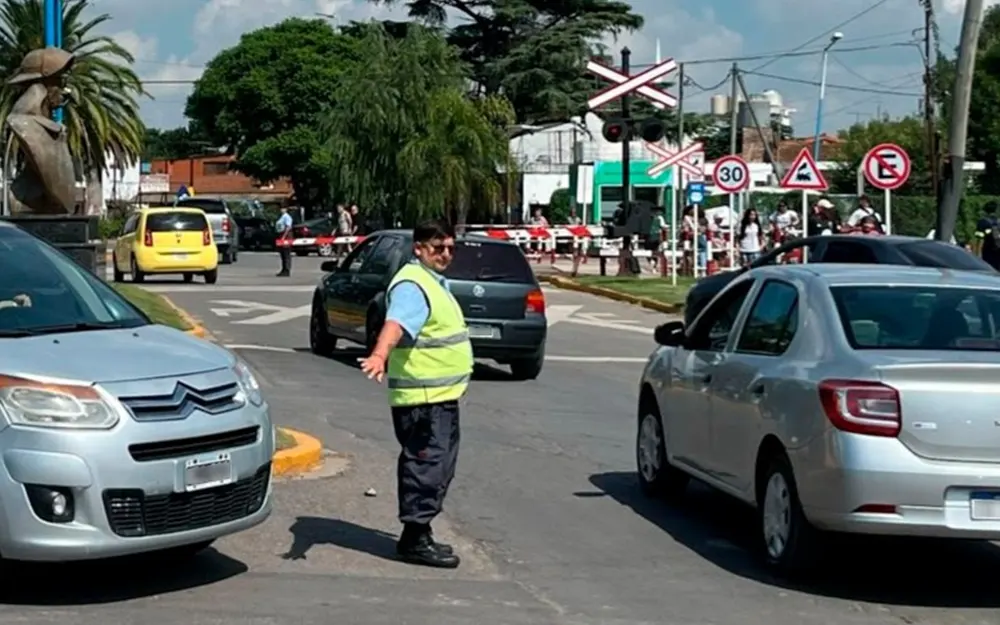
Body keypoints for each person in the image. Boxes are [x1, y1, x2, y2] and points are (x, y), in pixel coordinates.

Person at [358, 219, 472, 569]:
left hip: (439, 396)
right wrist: (379, 355)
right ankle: (414, 539)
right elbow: (395, 324)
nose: (446, 254)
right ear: (419, 249)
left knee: (438, 466)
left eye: (450, 248)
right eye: (438, 248)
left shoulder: (431, 280)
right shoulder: (412, 285)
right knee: (426, 466)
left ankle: (421, 532)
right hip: (423, 400)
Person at [974, 201, 1000, 269]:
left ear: (985, 211)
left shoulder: (983, 222)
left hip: (987, 253)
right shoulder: (999, 222)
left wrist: (977, 257)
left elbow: (980, 240)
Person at [274, 206, 293, 277]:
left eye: (283, 208)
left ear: (286, 209)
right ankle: (283, 269)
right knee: (282, 254)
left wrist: (284, 237)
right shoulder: (281, 217)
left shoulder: (287, 217)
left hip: (286, 236)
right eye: (281, 208)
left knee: (286, 253)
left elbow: (288, 227)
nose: (281, 210)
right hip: (281, 234)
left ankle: (287, 270)